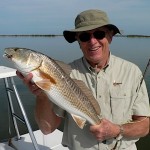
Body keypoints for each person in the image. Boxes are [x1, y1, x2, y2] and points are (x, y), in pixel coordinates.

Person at [17, 9, 150, 150]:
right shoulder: (64, 74)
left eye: (99, 34)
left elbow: (145, 125)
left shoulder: (132, 71)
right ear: (78, 42)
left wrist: (118, 130)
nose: (92, 42)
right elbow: (46, 129)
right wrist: (42, 96)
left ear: (110, 36)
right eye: (85, 36)